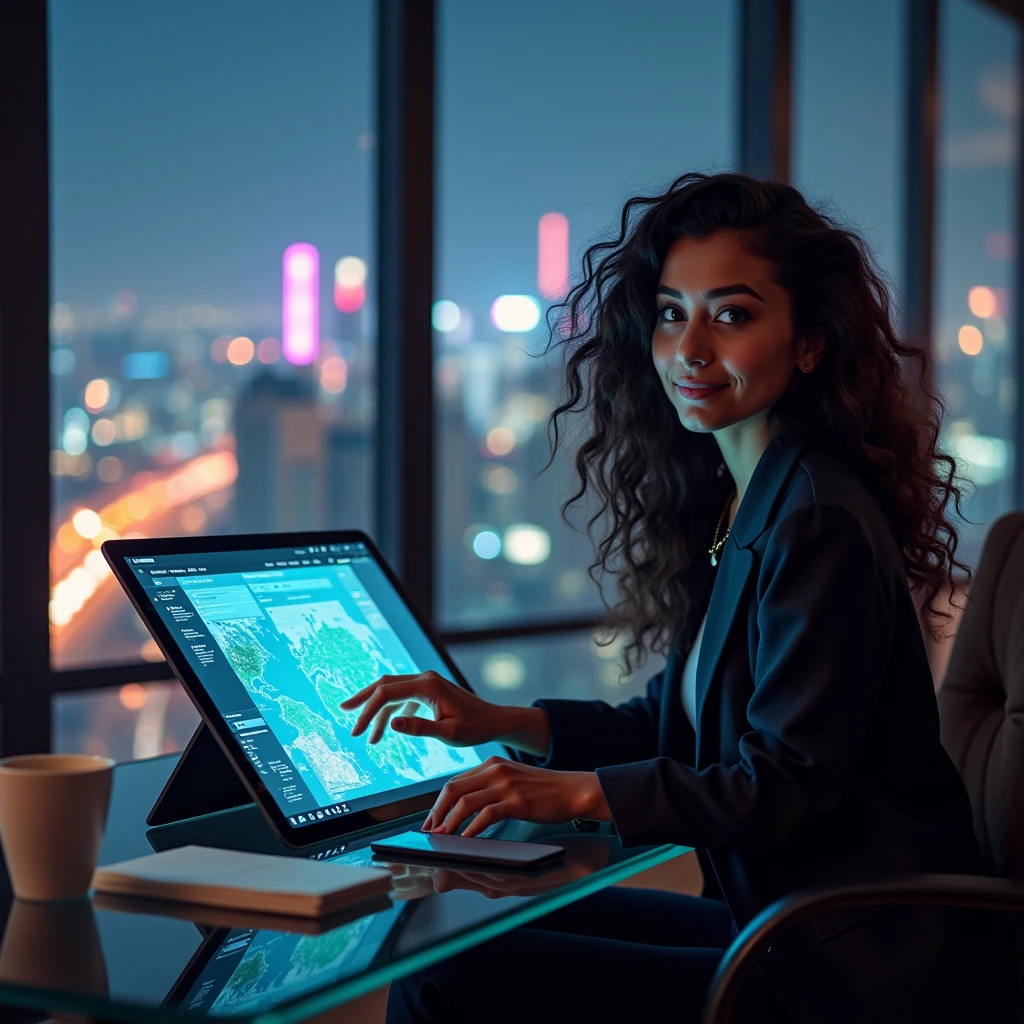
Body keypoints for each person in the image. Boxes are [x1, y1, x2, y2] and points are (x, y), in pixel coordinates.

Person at [342, 173, 990, 1023]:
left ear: (807, 342)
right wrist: (498, 721)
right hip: (781, 928)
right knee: (457, 939)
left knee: (444, 977)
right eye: (672, 312)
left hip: (845, 966)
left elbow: (784, 785)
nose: (690, 349)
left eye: (733, 314)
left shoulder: (816, 519)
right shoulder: (750, 500)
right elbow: (673, 727)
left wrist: (574, 794)